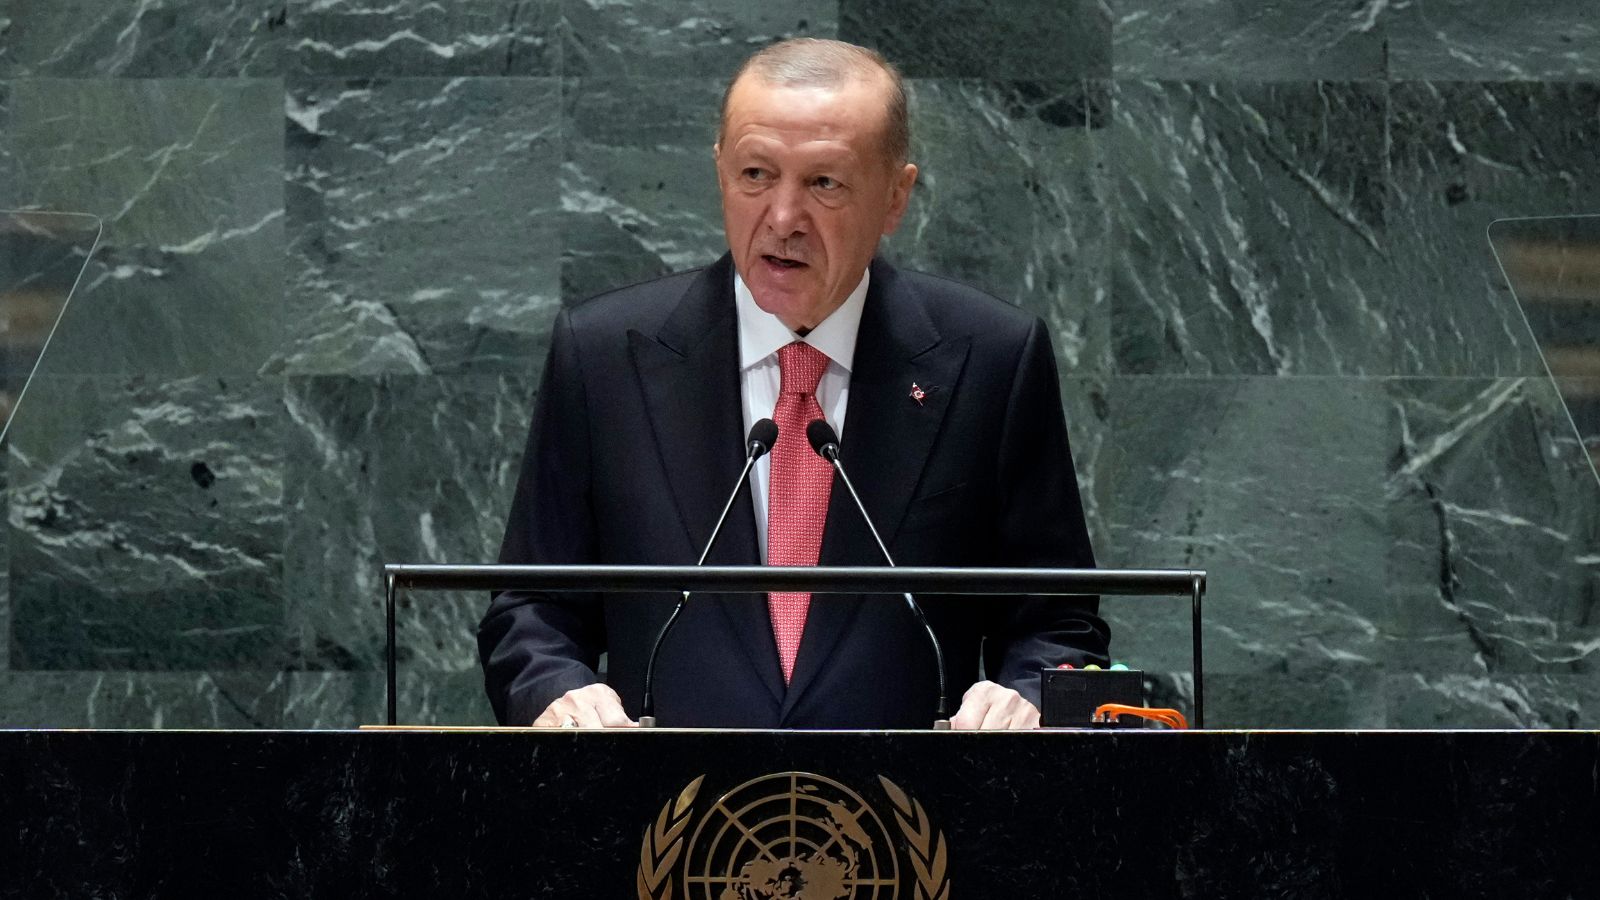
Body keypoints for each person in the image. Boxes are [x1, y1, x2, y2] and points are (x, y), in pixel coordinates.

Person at [478, 38, 1108, 730]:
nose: (782, 219)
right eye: (755, 174)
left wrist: (1028, 697)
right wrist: (558, 693)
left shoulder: (991, 360)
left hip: (909, 797)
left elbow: (1059, 625)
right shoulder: (604, 357)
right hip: (670, 796)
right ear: (720, 171)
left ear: (896, 197)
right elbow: (530, 612)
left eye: (824, 183)